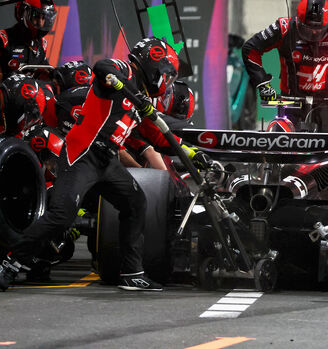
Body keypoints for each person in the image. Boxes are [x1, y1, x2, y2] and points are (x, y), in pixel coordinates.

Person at [0, 38, 197, 292]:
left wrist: (191, 152)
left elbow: (160, 134)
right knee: (61, 217)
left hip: (108, 161)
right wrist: (130, 91)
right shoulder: (126, 72)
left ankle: (131, 272)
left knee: (135, 203)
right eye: (167, 75)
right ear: (154, 65)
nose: (167, 82)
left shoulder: (142, 100)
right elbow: (103, 67)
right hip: (82, 155)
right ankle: (10, 262)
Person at [242, 0, 328, 133]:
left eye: (319, 30)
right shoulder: (284, 27)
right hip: (289, 102)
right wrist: (263, 85)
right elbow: (250, 48)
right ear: (297, 21)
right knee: (280, 141)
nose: (314, 33)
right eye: (308, 29)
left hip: (326, 102)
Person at [0, 0, 57, 81]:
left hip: (33, 91)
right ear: (23, 13)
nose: (40, 23)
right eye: (36, 16)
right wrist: (8, 77)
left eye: (43, 18)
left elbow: (44, 71)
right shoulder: (3, 39)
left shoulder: (42, 44)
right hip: (9, 91)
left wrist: (56, 74)